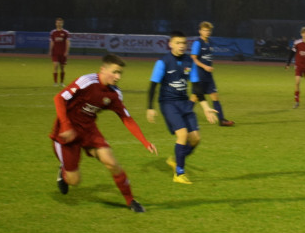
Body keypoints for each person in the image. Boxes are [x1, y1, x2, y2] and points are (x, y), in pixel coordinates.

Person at [50, 53, 156, 212]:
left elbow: (126, 118)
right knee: (74, 181)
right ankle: (64, 170)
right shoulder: (86, 81)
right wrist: (65, 125)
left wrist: (144, 141)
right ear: (103, 69)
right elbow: (59, 98)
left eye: (120, 73)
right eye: (114, 72)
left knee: (112, 163)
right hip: (67, 131)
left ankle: (130, 201)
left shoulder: (114, 94)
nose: (118, 76)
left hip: (88, 130)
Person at [147, 31, 218, 184]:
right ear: (170, 44)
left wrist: (205, 107)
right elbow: (153, 85)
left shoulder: (189, 62)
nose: (181, 46)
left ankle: (175, 159)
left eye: (184, 43)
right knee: (183, 135)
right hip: (168, 103)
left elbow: (197, 88)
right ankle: (179, 174)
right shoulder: (163, 62)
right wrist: (150, 107)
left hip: (184, 103)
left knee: (195, 139)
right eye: (178, 43)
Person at [190, 21, 234, 127]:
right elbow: (194, 58)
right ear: (200, 31)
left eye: (209, 30)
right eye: (205, 30)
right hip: (199, 75)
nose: (207, 32)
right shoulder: (197, 43)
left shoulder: (210, 42)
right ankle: (183, 117)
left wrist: (208, 67)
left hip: (208, 76)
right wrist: (205, 66)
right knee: (194, 98)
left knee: (215, 96)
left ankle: (222, 120)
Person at [49, 17, 71, 86]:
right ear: (55, 24)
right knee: (55, 66)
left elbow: (67, 42)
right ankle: (55, 82)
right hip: (55, 53)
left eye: (60, 23)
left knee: (62, 68)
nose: (59, 24)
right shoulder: (53, 32)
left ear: (62, 24)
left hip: (62, 53)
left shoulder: (65, 32)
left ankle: (61, 82)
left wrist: (66, 51)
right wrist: (50, 50)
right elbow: (52, 42)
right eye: (57, 23)